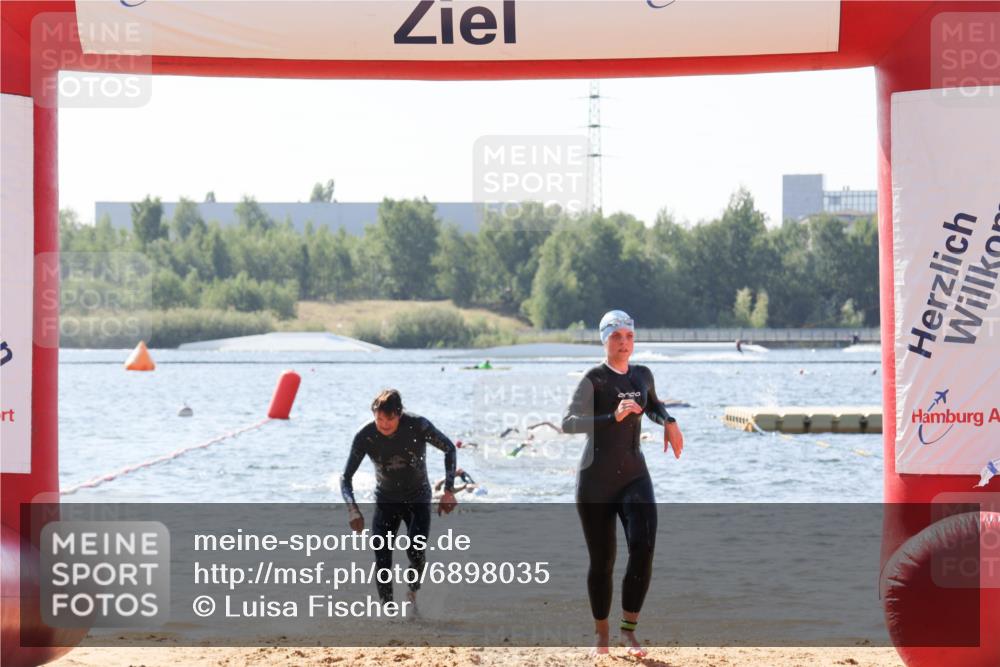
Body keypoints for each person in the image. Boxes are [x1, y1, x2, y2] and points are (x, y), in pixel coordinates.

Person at [562, 310, 684, 657]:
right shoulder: (595, 379)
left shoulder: (643, 375)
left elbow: (654, 406)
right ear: (605, 340)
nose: (624, 343)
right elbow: (569, 423)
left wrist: (669, 421)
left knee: (643, 548)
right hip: (595, 482)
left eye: (629, 336)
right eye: (617, 337)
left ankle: (628, 631)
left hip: (634, 476)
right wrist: (611, 417)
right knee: (603, 561)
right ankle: (601, 636)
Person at [341, 389, 458, 607]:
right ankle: (389, 612)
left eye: (390, 419)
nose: (384, 424)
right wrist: (352, 509)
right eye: (379, 419)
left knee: (416, 551)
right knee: (382, 558)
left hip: (418, 499)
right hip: (386, 501)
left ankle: (412, 593)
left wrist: (448, 490)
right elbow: (345, 478)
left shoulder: (418, 425)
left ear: (400, 413)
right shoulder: (365, 435)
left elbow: (449, 448)